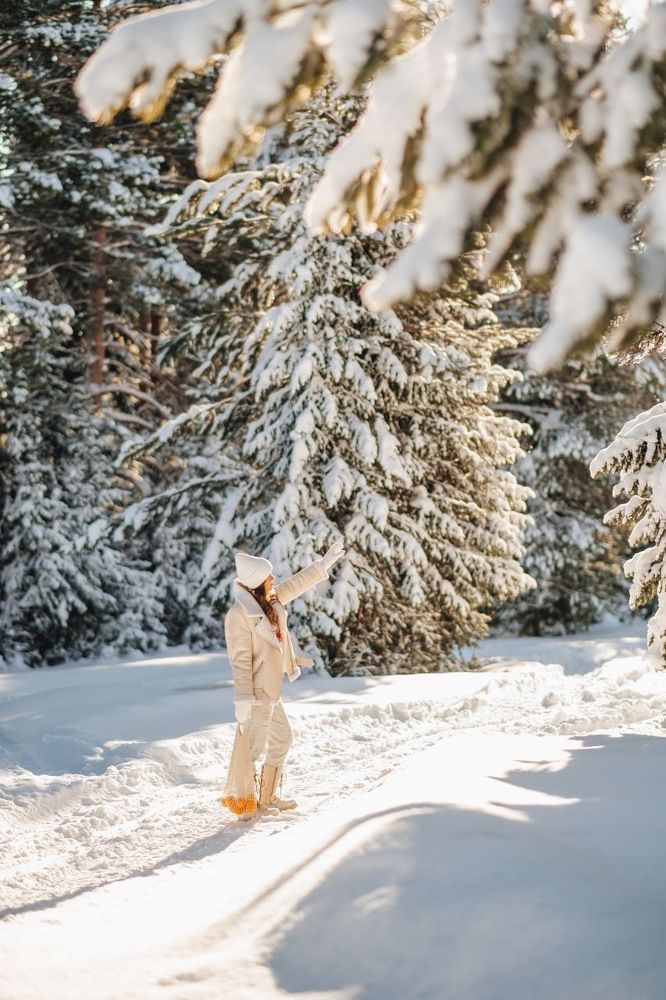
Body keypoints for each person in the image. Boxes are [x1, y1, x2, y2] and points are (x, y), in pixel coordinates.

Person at [224, 541, 345, 813]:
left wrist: (321, 567)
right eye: (269, 576)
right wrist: (243, 697)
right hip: (256, 693)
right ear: (257, 583)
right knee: (251, 751)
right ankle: (246, 806)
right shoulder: (239, 615)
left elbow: (292, 585)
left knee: (282, 739)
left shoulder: (268, 601)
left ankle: (266, 798)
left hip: (270, 690)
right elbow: (240, 660)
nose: (274, 579)